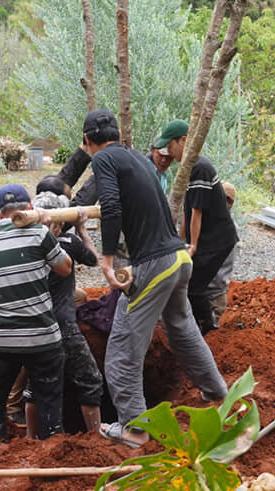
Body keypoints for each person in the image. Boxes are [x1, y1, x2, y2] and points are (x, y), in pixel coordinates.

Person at [83, 109, 227, 448]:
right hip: (178, 258)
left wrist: (107, 260)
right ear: (118, 135)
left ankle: (133, 429)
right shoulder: (138, 157)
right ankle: (218, 393)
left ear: (88, 141)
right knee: (183, 330)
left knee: (122, 346)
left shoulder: (103, 159)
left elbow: (112, 207)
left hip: (153, 264)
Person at [0, 184, 72, 440]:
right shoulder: (39, 233)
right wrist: (50, 232)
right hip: (41, 336)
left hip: (2, 336)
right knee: (49, 396)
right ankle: (52, 443)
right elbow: (65, 268)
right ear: (30, 208)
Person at [26, 187, 104, 437]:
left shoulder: (25, 245)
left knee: (37, 382)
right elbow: (94, 259)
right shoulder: (68, 243)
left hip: (35, 324)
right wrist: (82, 229)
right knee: (90, 380)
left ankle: (29, 438)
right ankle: (95, 438)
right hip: (63, 325)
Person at [154, 119, 239, 334]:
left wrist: (192, 245)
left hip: (217, 240)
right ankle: (195, 325)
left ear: (183, 141)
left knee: (194, 285)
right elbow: (187, 210)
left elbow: (197, 212)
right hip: (207, 238)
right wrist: (180, 241)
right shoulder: (190, 168)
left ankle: (207, 328)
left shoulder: (200, 168)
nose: (169, 153)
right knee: (189, 281)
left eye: (170, 146)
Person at [205, 182, 237, 329]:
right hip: (207, 291)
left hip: (215, 295)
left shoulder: (227, 228)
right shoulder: (213, 221)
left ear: (230, 202)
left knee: (211, 332)